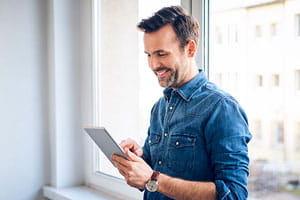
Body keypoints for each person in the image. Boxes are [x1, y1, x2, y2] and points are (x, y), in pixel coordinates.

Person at [111, 5, 252, 200]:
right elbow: (154, 174)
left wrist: (153, 178)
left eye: (161, 54)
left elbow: (234, 195)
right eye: (148, 55)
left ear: (190, 48)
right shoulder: (159, 108)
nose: (153, 65)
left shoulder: (222, 108)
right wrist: (138, 160)